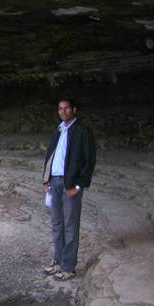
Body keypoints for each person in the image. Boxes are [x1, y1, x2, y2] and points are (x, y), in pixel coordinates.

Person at [42, 98, 96, 281]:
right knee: (57, 225)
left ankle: (68, 267)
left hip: (70, 185)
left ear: (74, 110)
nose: (63, 111)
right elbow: (51, 156)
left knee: (70, 227)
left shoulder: (82, 131)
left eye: (66, 109)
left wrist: (79, 186)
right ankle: (57, 261)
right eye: (60, 109)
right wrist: (46, 179)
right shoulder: (58, 131)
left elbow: (89, 162)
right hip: (55, 183)